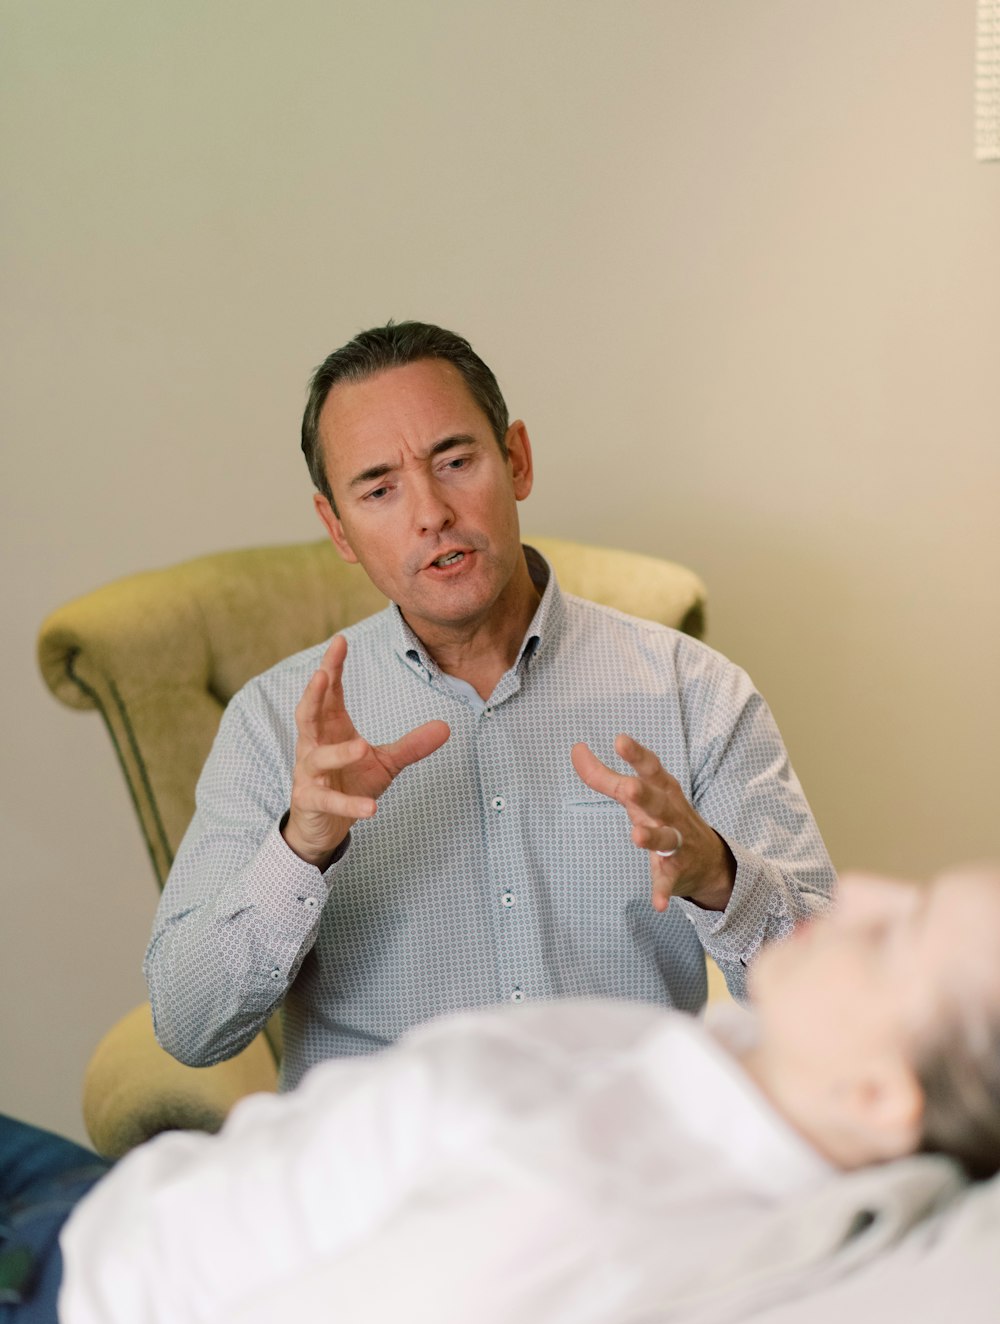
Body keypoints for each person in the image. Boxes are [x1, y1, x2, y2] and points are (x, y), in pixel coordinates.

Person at [1, 864, 999, 1324]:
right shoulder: (720, 1057)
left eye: (889, 938)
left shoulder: (588, 1214)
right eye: (912, 885)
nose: (850, 888)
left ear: (877, 1096)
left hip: (52, 1309)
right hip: (115, 1202)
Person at [144, 320, 834, 1085]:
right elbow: (187, 1024)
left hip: (624, 1166)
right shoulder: (274, 721)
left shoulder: (691, 690)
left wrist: (718, 876)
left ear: (516, 461)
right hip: (393, 1181)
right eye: (379, 489)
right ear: (336, 528)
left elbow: (835, 995)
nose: (431, 512)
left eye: (456, 460)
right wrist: (301, 846)